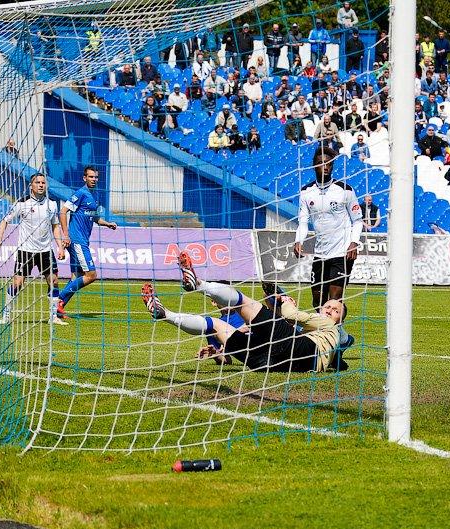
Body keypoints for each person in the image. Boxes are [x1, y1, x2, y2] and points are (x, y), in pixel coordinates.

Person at [142, 255, 351, 373]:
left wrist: (286, 302)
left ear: (339, 320)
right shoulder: (332, 341)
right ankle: (165, 314)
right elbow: (342, 361)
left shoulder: (326, 324)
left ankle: (199, 284)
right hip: (272, 362)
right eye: (329, 307)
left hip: (299, 347)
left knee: (246, 302)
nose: (330, 310)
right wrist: (218, 353)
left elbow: (290, 315)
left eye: (335, 310)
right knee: (216, 325)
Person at [0, 173, 66, 325]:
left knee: (54, 281)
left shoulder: (52, 204)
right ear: (31, 186)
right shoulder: (22, 204)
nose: (40, 185)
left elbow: (55, 226)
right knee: (18, 283)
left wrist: (60, 247)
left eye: (43, 183)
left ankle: (53, 316)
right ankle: (6, 314)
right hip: (26, 251)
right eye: (37, 182)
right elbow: (5, 221)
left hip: (45, 251)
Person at [293, 148, 363, 310]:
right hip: (320, 254)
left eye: (328, 164)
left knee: (334, 302)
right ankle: (337, 335)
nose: (325, 166)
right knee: (318, 302)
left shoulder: (345, 190)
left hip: (341, 253)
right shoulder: (306, 192)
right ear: (314, 166)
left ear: (332, 167)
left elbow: (358, 220)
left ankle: (335, 334)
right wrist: (299, 240)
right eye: (321, 163)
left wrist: (354, 242)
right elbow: (303, 222)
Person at [56, 167, 118, 318]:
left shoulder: (94, 196)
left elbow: (95, 218)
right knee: (91, 275)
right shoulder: (81, 193)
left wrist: (107, 223)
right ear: (84, 178)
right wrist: (65, 235)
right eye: (91, 177)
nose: (94, 179)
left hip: (83, 240)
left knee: (76, 276)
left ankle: (58, 309)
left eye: (96, 177)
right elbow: (63, 211)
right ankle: (58, 301)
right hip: (77, 240)